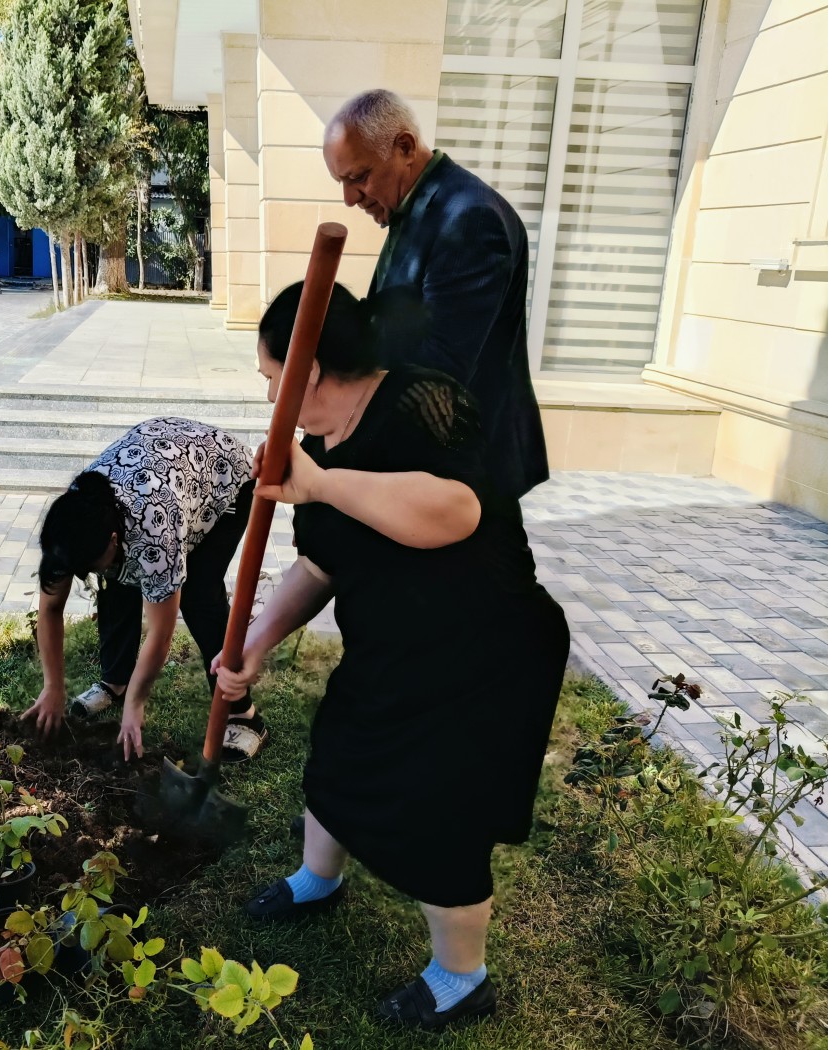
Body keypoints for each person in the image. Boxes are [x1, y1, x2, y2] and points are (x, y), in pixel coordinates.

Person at [214, 281, 569, 1032]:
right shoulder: (316, 449)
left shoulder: (422, 402)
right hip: (400, 647)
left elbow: (456, 510)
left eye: (271, 376)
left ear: (306, 371)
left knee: (439, 810)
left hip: (485, 650)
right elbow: (320, 567)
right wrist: (254, 645)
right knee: (341, 749)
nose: (270, 392)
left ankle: (461, 978)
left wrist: (321, 485)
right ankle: (318, 878)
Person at [323, 88, 548, 500]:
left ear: (405, 147)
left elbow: (440, 371)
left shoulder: (469, 217)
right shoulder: (418, 205)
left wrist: (339, 412)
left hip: (465, 470)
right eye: (342, 182)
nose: (349, 199)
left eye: (358, 178)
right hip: (432, 454)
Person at [22, 417, 267, 763]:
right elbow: (50, 610)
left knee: (199, 594)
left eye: (91, 565)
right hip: (159, 460)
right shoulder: (70, 527)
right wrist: (53, 688)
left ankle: (243, 713)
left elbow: (161, 633)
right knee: (117, 579)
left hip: (222, 476)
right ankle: (116, 681)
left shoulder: (155, 531)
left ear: (113, 539)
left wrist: (137, 706)